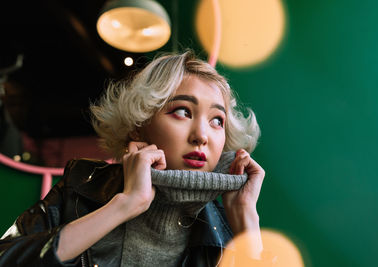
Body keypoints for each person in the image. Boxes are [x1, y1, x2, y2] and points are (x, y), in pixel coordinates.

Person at [0, 51, 264, 266]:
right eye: (183, 112)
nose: (201, 136)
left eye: (217, 120)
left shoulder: (225, 225)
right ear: (139, 124)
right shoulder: (81, 185)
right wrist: (125, 204)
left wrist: (247, 224)